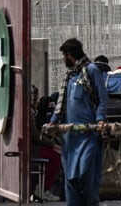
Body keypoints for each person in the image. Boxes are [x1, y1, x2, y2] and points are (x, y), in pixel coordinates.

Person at [49, 38, 108, 206]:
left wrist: (100, 119)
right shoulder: (70, 76)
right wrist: (53, 122)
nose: (63, 60)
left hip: (89, 135)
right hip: (70, 137)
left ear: (69, 55)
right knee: (70, 177)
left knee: (86, 174)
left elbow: (102, 99)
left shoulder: (91, 70)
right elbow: (61, 105)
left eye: (64, 56)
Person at [30, 85, 61, 202]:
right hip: (32, 149)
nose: (37, 101)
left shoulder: (31, 111)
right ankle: (43, 190)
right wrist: (53, 145)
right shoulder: (28, 112)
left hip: (32, 146)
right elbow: (35, 136)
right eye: (36, 98)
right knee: (56, 157)